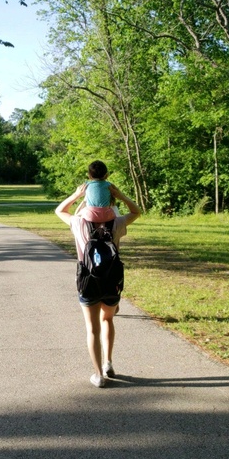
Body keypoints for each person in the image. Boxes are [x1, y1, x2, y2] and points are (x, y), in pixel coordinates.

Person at [55, 166, 141, 388]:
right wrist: (120, 195)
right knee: (108, 320)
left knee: (92, 328)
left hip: (88, 280)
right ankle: (108, 363)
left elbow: (60, 210)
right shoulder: (117, 222)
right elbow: (136, 211)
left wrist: (76, 196)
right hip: (112, 279)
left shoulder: (79, 223)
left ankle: (98, 375)